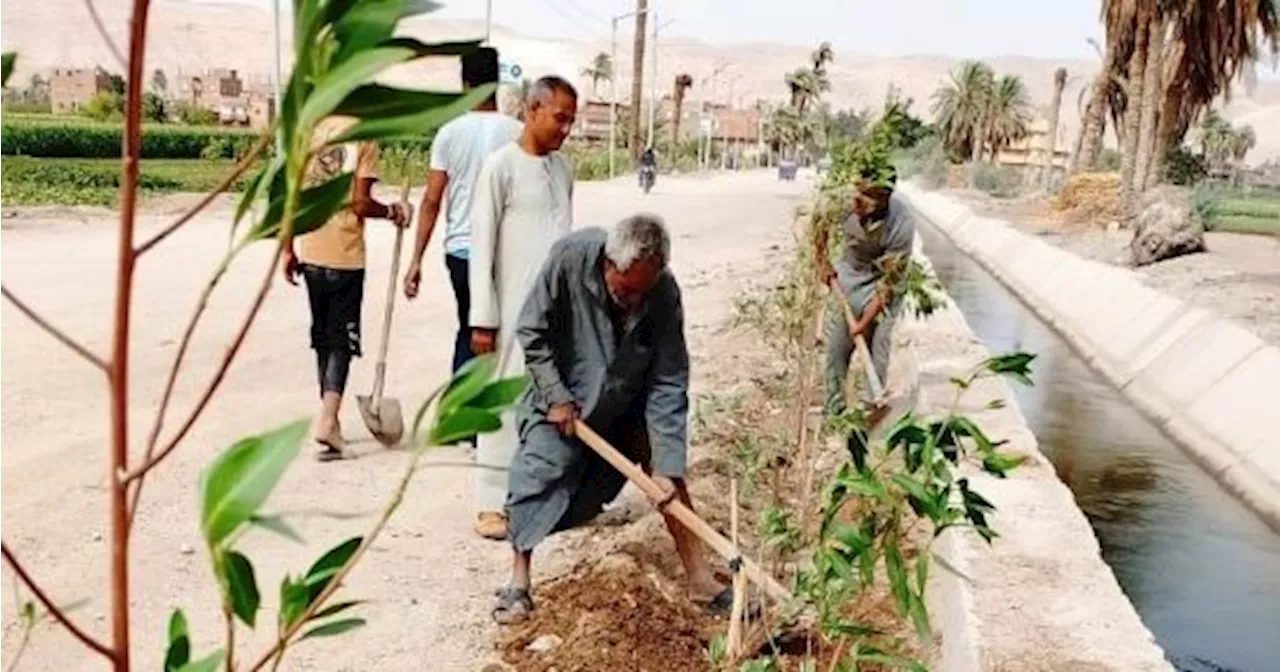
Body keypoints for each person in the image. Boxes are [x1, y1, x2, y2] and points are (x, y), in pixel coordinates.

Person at [491, 215, 728, 624]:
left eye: (644, 291)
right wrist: (556, 395)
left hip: (626, 403)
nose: (635, 300)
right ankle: (518, 583)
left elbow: (669, 379)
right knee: (539, 471)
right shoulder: (569, 259)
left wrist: (667, 465)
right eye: (627, 290)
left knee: (669, 480)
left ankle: (700, 578)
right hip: (564, 400)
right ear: (608, 264)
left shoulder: (663, 293)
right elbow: (533, 330)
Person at [467, 76, 579, 541]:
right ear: (532, 111)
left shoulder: (563, 170)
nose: (566, 128)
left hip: (555, 310)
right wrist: (483, 319)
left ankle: (538, 497)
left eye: (572, 119)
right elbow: (482, 246)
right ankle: (490, 502)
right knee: (504, 398)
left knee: (548, 399)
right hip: (510, 308)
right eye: (560, 117)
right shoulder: (501, 167)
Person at [283, 116, 413, 461]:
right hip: (344, 255)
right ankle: (327, 421)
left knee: (323, 337)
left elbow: (290, 196)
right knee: (342, 340)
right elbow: (359, 203)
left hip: (310, 248)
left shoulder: (309, 129)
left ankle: (332, 418)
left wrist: (286, 248)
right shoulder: (364, 135)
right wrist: (392, 211)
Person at [403, 47, 522, 376]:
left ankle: (462, 417)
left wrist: (416, 260)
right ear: (496, 82)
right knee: (502, 335)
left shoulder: (449, 133)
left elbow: (431, 200)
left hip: (460, 252)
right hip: (505, 252)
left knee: (469, 330)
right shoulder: (518, 134)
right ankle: (485, 417)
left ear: (465, 84)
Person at [817, 175, 914, 424]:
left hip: (883, 282)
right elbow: (819, 224)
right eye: (856, 196)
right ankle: (834, 413)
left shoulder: (901, 223)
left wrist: (864, 323)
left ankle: (870, 411)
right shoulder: (843, 202)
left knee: (878, 344)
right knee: (837, 347)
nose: (857, 204)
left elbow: (889, 283)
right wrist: (823, 262)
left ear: (883, 198)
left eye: (866, 199)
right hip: (848, 275)